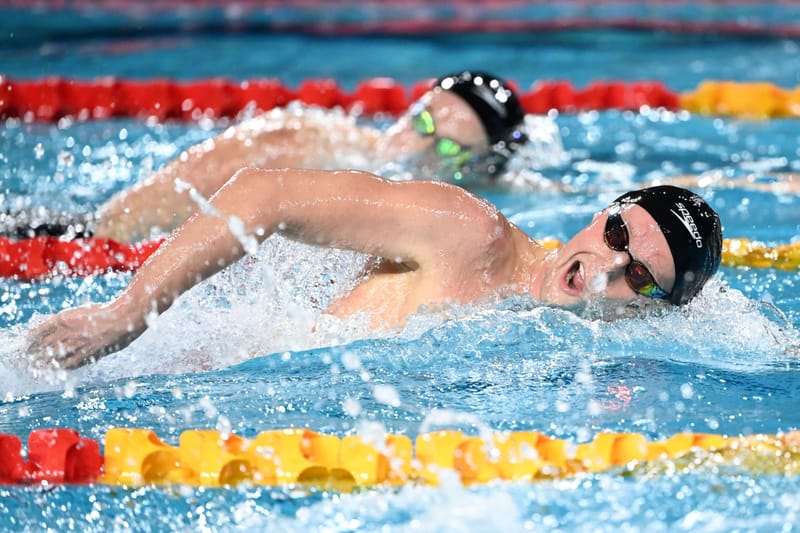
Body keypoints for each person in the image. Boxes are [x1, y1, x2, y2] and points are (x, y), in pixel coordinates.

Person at [26, 167, 722, 370]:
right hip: (162, 368)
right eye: (618, 231)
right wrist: (125, 314)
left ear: (655, 307)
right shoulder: (470, 235)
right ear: (603, 212)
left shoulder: (598, 354)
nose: (604, 265)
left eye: (638, 276)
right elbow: (266, 193)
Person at [2, 70, 528, 243]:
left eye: (449, 147)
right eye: (425, 122)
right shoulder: (309, 140)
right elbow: (129, 218)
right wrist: (106, 236)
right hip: (82, 236)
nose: (421, 145)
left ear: (477, 167)